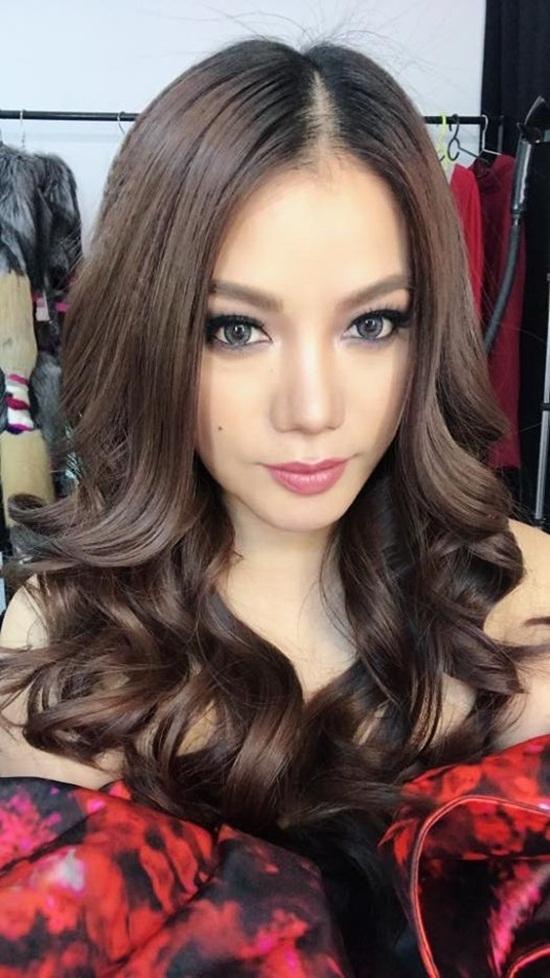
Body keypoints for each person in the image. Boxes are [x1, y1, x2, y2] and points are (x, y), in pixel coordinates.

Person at [0, 34, 549, 978]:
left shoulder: (522, 598)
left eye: (372, 323)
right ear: (154, 332)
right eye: (236, 329)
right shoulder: (68, 639)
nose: (312, 409)